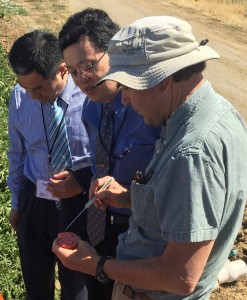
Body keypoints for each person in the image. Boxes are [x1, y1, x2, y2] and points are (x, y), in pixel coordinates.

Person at [53, 16, 247, 300]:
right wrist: (129, 198)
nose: (126, 99)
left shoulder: (191, 152)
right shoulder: (217, 113)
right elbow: (179, 204)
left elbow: (180, 276)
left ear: (164, 80)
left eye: (130, 87)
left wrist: (95, 264)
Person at [53, 8, 161, 300]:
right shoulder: (91, 107)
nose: (82, 79)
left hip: (140, 235)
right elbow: (99, 161)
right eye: (73, 72)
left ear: (115, 53)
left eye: (88, 66)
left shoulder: (151, 109)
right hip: (99, 226)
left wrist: (127, 194)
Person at [7, 30, 92, 300]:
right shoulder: (21, 96)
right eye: (26, 87)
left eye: (40, 87)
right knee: (36, 280)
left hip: (79, 203)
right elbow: (17, 153)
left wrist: (81, 182)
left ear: (63, 69)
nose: (32, 95)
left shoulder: (89, 96)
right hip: (36, 198)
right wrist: (18, 202)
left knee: (76, 285)